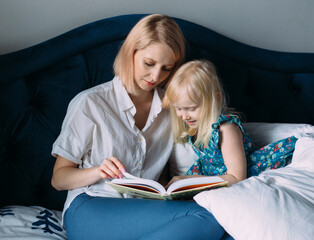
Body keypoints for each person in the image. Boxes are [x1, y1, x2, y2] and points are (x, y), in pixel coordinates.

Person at [51, 15, 224, 240]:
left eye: (166, 69)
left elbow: (164, 175)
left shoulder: (172, 109)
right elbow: (58, 179)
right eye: (149, 64)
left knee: (221, 218)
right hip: (90, 204)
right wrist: (97, 171)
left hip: (144, 208)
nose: (156, 76)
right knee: (205, 219)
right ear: (131, 53)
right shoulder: (90, 103)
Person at [163, 59, 256, 187]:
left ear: (215, 99)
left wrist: (191, 181)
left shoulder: (225, 129)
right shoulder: (196, 127)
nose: (184, 116)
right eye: (178, 108)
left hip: (234, 180)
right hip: (212, 178)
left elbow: (237, 177)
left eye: (191, 108)